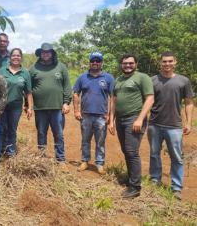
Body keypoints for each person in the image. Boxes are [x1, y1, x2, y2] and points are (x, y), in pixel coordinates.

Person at [148, 51, 194, 200]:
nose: (167, 64)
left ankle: (176, 187)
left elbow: (188, 102)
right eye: (164, 61)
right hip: (154, 123)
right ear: (160, 63)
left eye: (170, 61)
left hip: (174, 125)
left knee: (176, 157)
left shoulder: (183, 81)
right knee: (154, 153)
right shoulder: (153, 80)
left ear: (175, 62)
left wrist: (188, 122)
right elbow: (147, 101)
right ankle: (155, 180)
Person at [109, 53, 154, 198]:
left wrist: (140, 119)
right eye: (124, 63)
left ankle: (135, 187)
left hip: (134, 120)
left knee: (132, 152)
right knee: (126, 150)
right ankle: (130, 179)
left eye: (130, 63)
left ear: (136, 64)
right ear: (121, 65)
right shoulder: (118, 80)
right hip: (121, 120)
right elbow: (114, 101)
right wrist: (111, 120)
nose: (127, 66)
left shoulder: (142, 78)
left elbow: (150, 99)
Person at [28, 43, 72, 167]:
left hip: (57, 107)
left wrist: (66, 102)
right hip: (40, 107)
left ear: (52, 53)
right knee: (41, 132)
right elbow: (28, 88)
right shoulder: (34, 67)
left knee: (58, 133)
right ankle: (42, 157)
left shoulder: (61, 67)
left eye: (48, 52)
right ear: (40, 54)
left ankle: (60, 158)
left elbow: (67, 86)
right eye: (43, 52)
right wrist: (28, 105)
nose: (46, 54)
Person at [73, 52, 114, 174]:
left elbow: (113, 97)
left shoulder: (108, 78)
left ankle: (100, 164)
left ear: (101, 63)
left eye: (97, 61)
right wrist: (76, 110)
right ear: (89, 62)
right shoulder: (82, 77)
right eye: (93, 61)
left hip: (101, 116)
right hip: (86, 115)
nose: (95, 63)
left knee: (100, 141)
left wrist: (110, 115)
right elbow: (76, 94)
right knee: (85, 140)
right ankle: (84, 161)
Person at [0, 48, 33, 157]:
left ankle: (11, 152)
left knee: (12, 130)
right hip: (1, 106)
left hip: (16, 107)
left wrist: (30, 107)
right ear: (10, 57)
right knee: (1, 129)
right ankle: (1, 150)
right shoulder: (2, 70)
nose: (16, 57)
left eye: (18, 55)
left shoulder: (25, 73)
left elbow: (28, 92)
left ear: (21, 58)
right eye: (14, 55)